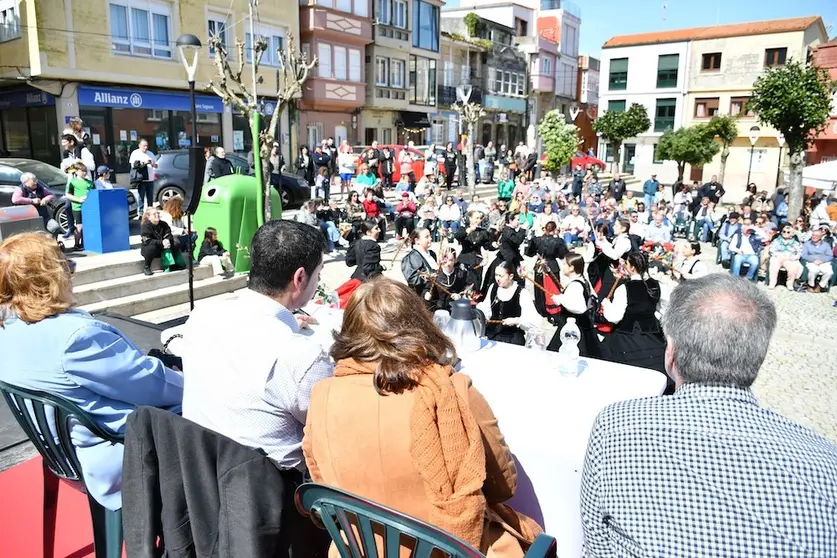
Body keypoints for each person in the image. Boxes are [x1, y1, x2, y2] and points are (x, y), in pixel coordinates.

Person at [581, 274, 837, 557]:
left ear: (671, 353)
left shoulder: (617, 425)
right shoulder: (828, 465)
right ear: (759, 356)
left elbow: (595, 545)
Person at [304, 277, 541, 555]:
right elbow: (504, 486)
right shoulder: (453, 391)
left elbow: (321, 483)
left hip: (359, 550)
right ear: (419, 327)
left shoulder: (322, 396)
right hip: (451, 550)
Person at [0, 233, 183, 511]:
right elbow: (153, 386)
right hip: (119, 454)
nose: (70, 272)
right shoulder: (77, 337)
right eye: (64, 265)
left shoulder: (8, 332)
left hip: (62, 454)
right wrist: (195, 378)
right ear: (49, 278)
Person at [182, 220, 332, 474]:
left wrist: (288, 324)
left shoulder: (202, 316)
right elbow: (333, 428)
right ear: (299, 278)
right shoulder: (301, 356)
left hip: (203, 481)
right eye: (318, 273)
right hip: (278, 496)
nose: (318, 280)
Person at [599, 251, 667, 375]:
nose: (625, 265)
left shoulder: (624, 289)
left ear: (632, 267)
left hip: (627, 334)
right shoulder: (657, 285)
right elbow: (664, 309)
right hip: (652, 332)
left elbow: (615, 317)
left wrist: (607, 305)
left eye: (627, 263)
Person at [546, 252, 600, 357]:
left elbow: (580, 308)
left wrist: (561, 300)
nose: (562, 266)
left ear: (572, 268)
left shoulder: (575, 285)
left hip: (573, 328)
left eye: (565, 264)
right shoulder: (583, 280)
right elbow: (594, 297)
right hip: (582, 325)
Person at [477, 260, 540, 346]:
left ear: (511, 276)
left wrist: (516, 320)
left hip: (512, 338)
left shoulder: (522, 292)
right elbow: (486, 307)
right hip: (491, 335)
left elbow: (533, 320)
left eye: (501, 276)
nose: (497, 278)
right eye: (496, 275)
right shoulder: (493, 287)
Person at [140, 207, 181, 276]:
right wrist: (161, 242)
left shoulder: (164, 224)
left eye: (158, 213)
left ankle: (175, 264)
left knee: (176, 243)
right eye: (154, 214)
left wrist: (167, 240)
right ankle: (147, 267)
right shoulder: (145, 226)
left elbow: (168, 233)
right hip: (151, 248)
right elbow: (148, 240)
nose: (157, 215)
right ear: (149, 217)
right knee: (152, 247)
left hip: (163, 246)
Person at [401, 228, 438, 298]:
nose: (430, 239)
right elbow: (413, 280)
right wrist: (430, 276)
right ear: (417, 240)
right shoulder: (411, 258)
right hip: (421, 297)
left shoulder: (432, 254)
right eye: (426, 237)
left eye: (430, 236)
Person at [65, 162, 94, 250]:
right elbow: (68, 195)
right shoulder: (72, 182)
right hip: (77, 207)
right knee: (79, 226)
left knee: (89, 225)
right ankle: (77, 244)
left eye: (85, 171)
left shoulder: (90, 182)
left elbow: (94, 193)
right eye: (82, 171)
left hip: (89, 207)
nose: (84, 173)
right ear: (77, 171)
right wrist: (78, 199)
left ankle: (86, 243)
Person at [768, 225, 803, 290]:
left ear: (792, 234)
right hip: (778, 257)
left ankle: (789, 284)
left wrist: (793, 258)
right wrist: (778, 255)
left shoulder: (795, 243)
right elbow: (771, 250)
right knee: (773, 265)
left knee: (793, 268)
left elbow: (799, 252)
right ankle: (772, 283)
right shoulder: (777, 241)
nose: (785, 233)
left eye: (788, 232)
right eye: (784, 231)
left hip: (789, 258)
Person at [129, 139, 157, 215]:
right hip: (141, 179)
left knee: (150, 197)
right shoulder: (135, 153)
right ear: (139, 146)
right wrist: (144, 163)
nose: (146, 147)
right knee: (141, 197)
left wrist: (152, 164)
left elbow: (156, 165)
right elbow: (133, 165)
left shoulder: (150, 154)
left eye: (147, 146)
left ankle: (150, 212)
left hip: (150, 179)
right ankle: (141, 213)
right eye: (144, 146)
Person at [801, 228, 834, 292]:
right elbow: (804, 255)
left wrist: (822, 261)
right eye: (813, 235)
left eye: (816, 235)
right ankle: (811, 285)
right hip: (812, 261)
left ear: (820, 236)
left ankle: (820, 286)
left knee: (829, 272)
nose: (814, 237)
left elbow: (830, 256)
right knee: (813, 271)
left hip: (823, 262)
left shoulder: (826, 245)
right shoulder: (807, 244)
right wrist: (814, 260)